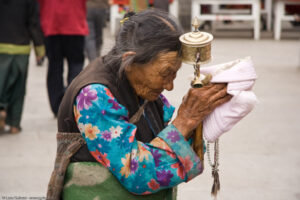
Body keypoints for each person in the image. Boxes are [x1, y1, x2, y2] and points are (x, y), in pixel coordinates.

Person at [47, 10, 231, 200]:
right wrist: (185, 121)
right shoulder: (94, 96)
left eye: (174, 74)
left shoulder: (144, 89)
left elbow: (170, 138)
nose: (169, 86)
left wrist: (200, 118)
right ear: (129, 60)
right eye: (165, 73)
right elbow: (137, 173)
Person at [0, 0, 45, 133]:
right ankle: (14, 124)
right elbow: (33, 23)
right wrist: (39, 48)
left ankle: (1, 109)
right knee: (18, 88)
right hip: (21, 48)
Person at [37, 0, 88, 117]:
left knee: (54, 68)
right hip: (75, 24)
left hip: (51, 25)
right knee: (76, 66)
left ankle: (57, 107)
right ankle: (73, 102)